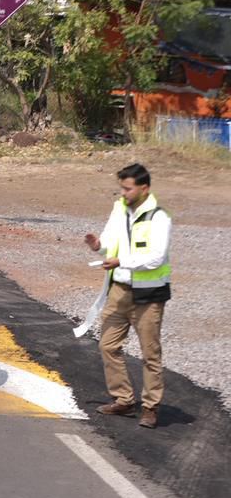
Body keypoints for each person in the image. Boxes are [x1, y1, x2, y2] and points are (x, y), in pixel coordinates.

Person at [84, 163, 171, 429]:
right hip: (119, 290)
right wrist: (99, 247)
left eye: (127, 188)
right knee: (108, 345)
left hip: (149, 295)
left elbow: (156, 258)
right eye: (121, 187)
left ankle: (150, 406)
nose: (123, 192)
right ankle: (123, 399)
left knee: (150, 353)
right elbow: (110, 242)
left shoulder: (159, 217)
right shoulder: (119, 209)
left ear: (144, 188)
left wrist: (121, 261)